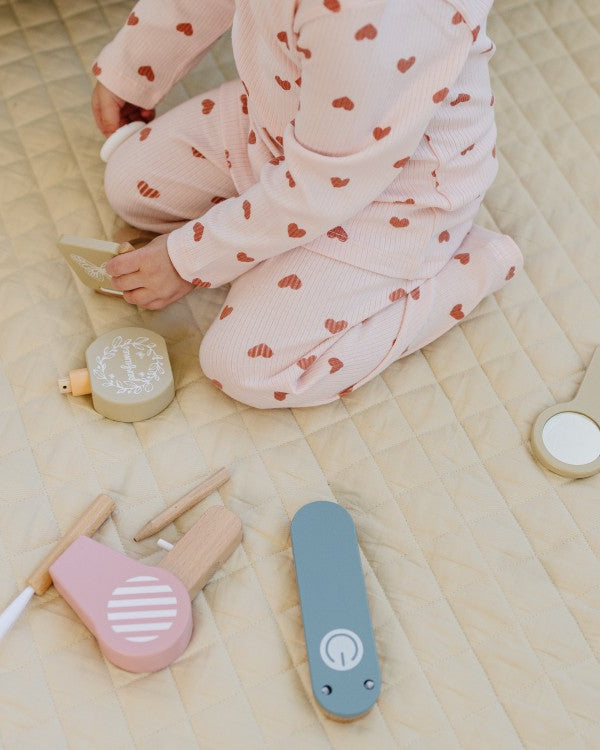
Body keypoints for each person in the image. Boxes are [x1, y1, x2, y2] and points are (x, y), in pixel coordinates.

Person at [92, 0, 522, 408]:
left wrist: (189, 259)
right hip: (281, 119)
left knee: (246, 368)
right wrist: (130, 73)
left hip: (392, 194)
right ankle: (272, 239)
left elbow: (323, 185)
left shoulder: (368, 19)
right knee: (132, 187)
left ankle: (473, 262)